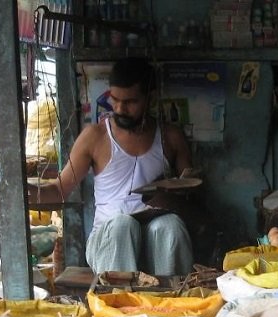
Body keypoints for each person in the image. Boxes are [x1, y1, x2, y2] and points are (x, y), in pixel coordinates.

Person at [31, 57, 195, 276]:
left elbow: (191, 191)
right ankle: (118, 295)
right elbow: (59, 189)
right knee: (123, 226)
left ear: (151, 98)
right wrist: (26, 192)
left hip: (152, 239)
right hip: (108, 240)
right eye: (114, 99)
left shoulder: (170, 137)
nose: (119, 108)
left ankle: (170, 295)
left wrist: (174, 196)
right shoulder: (95, 136)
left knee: (171, 226)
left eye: (130, 102)